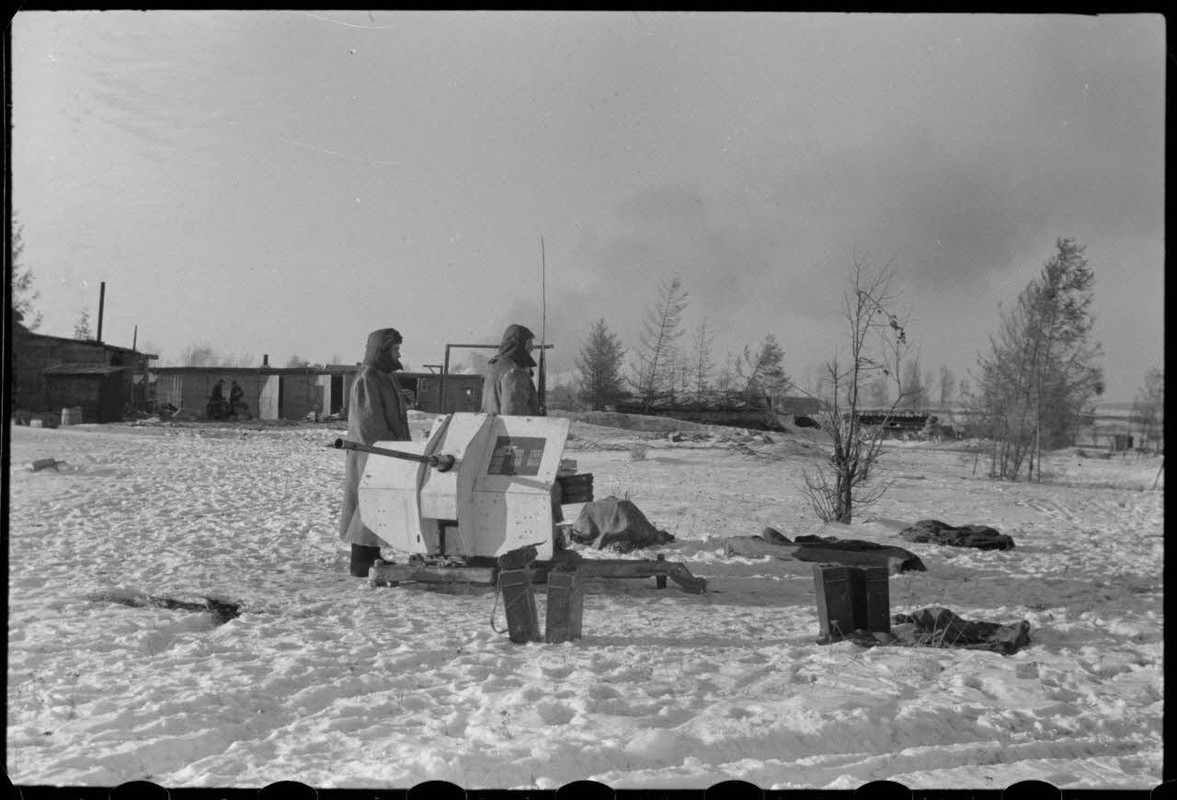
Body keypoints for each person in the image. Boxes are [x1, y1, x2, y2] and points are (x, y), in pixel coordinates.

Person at [339, 328, 411, 577]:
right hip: (371, 455)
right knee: (365, 505)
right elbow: (370, 425)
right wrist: (393, 451)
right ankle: (360, 560)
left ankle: (371, 555)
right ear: (382, 350)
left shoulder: (385, 377)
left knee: (375, 506)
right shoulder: (368, 379)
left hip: (384, 454)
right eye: (394, 348)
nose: (398, 353)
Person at [481, 323, 543, 416]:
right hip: (510, 430)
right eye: (528, 346)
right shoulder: (515, 373)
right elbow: (515, 417)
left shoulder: (493, 367)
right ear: (519, 346)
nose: (531, 349)